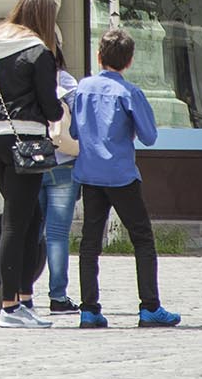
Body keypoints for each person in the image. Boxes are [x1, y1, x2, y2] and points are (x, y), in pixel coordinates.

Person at [68, 28, 178, 328]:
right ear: (129, 62)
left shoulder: (82, 89)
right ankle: (149, 306)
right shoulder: (129, 92)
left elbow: (75, 132)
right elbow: (149, 136)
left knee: (90, 242)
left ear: (98, 56)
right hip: (121, 176)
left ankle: (89, 309)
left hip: (90, 175)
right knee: (142, 239)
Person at [0, 0, 65, 329]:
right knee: (16, 221)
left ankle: (22, 299)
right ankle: (10, 305)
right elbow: (51, 106)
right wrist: (62, 109)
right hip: (25, 140)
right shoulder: (38, 51)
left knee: (29, 216)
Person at [38, 48, 80, 315]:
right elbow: (79, 122)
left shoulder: (26, 80)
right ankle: (58, 295)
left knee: (31, 231)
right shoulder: (66, 81)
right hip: (64, 163)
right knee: (56, 235)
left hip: (33, 162)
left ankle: (23, 291)